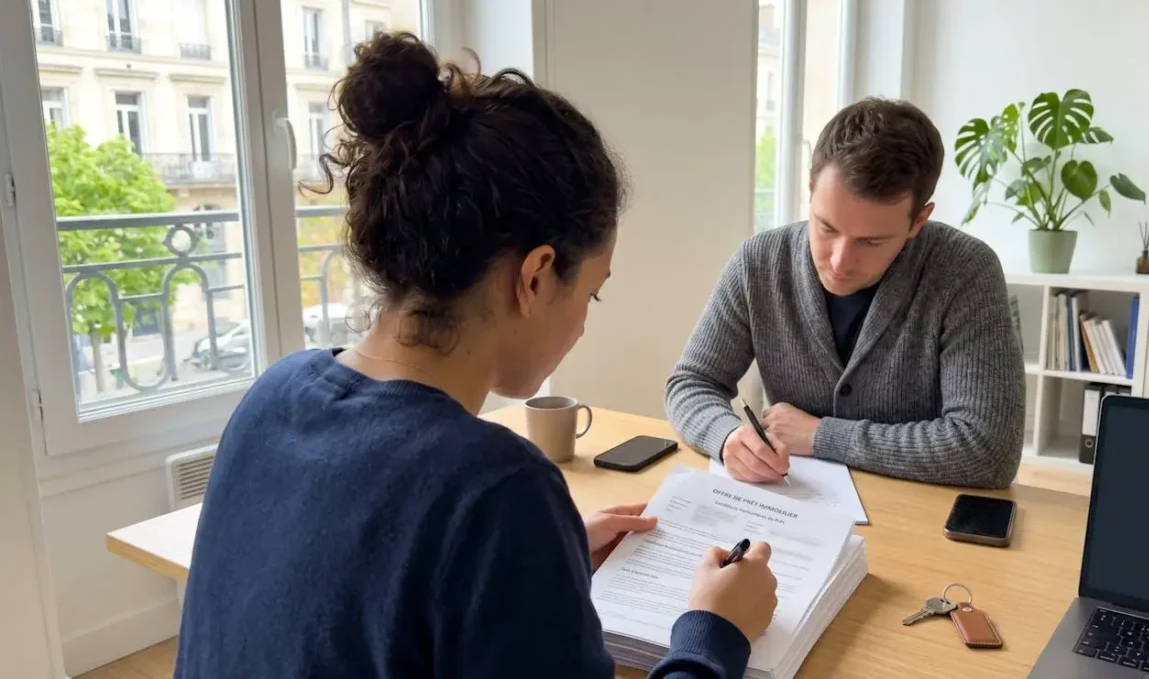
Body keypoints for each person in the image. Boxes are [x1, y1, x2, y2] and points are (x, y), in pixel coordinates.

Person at [175, 33, 778, 679]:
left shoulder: (273, 394)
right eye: (592, 295)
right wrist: (715, 634)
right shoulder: (499, 491)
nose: (581, 326)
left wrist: (548, 555)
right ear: (537, 275)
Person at [665, 98, 1024, 490]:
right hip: (791, 514)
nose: (839, 261)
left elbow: (989, 449)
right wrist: (728, 437)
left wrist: (822, 437)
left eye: (871, 242)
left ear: (918, 221)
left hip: (920, 521)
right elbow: (692, 383)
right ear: (811, 186)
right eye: (827, 227)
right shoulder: (759, 262)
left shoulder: (965, 271)